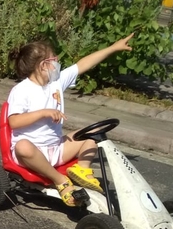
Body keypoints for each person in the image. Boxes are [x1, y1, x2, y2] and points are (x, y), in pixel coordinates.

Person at [7, 34, 134, 207]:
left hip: (56, 148)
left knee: (92, 134)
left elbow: (83, 64)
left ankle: (81, 170)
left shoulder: (56, 82)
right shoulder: (21, 90)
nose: (58, 62)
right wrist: (43, 112)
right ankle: (60, 181)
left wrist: (112, 48)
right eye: (54, 59)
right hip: (32, 154)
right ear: (43, 65)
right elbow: (14, 122)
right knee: (22, 146)